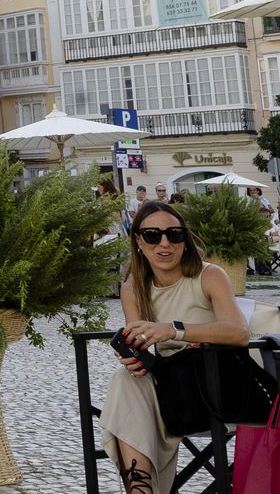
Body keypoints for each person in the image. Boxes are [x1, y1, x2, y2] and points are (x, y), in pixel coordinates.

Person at [99, 200, 250, 493]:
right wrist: (135, 358)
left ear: (185, 239)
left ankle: (140, 490)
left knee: (129, 390)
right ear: (139, 241)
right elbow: (139, 346)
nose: (164, 243)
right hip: (171, 388)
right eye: (153, 235)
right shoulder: (132, 288)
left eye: (174, 234)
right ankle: (141, 490)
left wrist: (172, 330)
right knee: (127, 378)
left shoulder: (209, 275)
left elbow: (238, 332)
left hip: (219, 385)